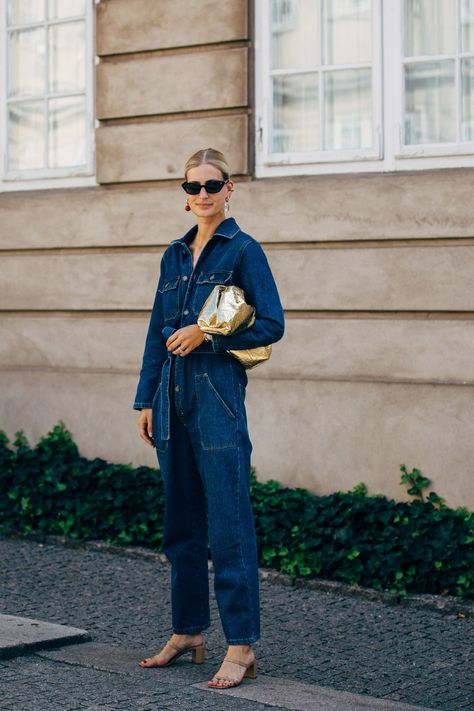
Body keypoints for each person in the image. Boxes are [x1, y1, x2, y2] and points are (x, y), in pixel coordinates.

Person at [133, 148, 284, 689]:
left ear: (229, 188)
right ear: (184, 193)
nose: (201, 195)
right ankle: (189, 631)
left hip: (217, 402)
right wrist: (145, 399)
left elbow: (271, 324)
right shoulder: (173, 256)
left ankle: (241, 647)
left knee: (228, 526)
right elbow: (157, 332)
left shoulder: (243, 250)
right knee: (182, 528)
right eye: (191, 187)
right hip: (171, 403)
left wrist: (209, 332)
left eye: (211, 185)